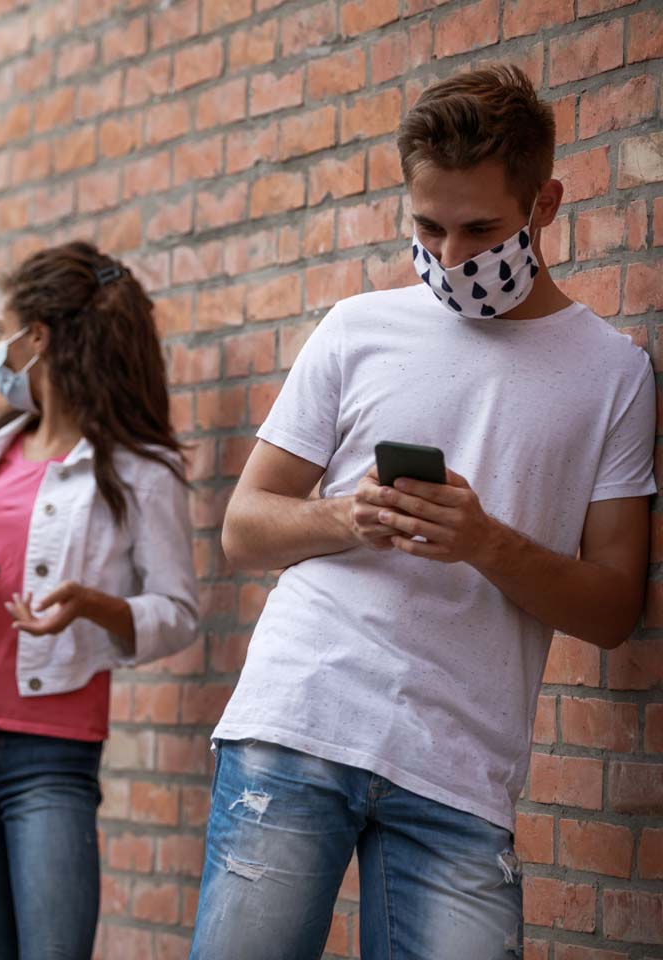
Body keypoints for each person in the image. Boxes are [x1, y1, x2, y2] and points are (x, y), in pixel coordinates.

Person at [189, 65, 655, 960]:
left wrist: (484, 541)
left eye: (480, 229)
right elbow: (244, 526)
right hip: (300, 716)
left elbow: (610, 607)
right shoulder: (356, 328)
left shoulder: (613, 374)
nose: (448, 257)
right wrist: (348, 517)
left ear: (545, 202)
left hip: (461, 769)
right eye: (426, 227)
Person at [0, 240, 200, 960]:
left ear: (36, 338)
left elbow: (179, 612)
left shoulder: (142, 467)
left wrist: (94, 605)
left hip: (51, 750)